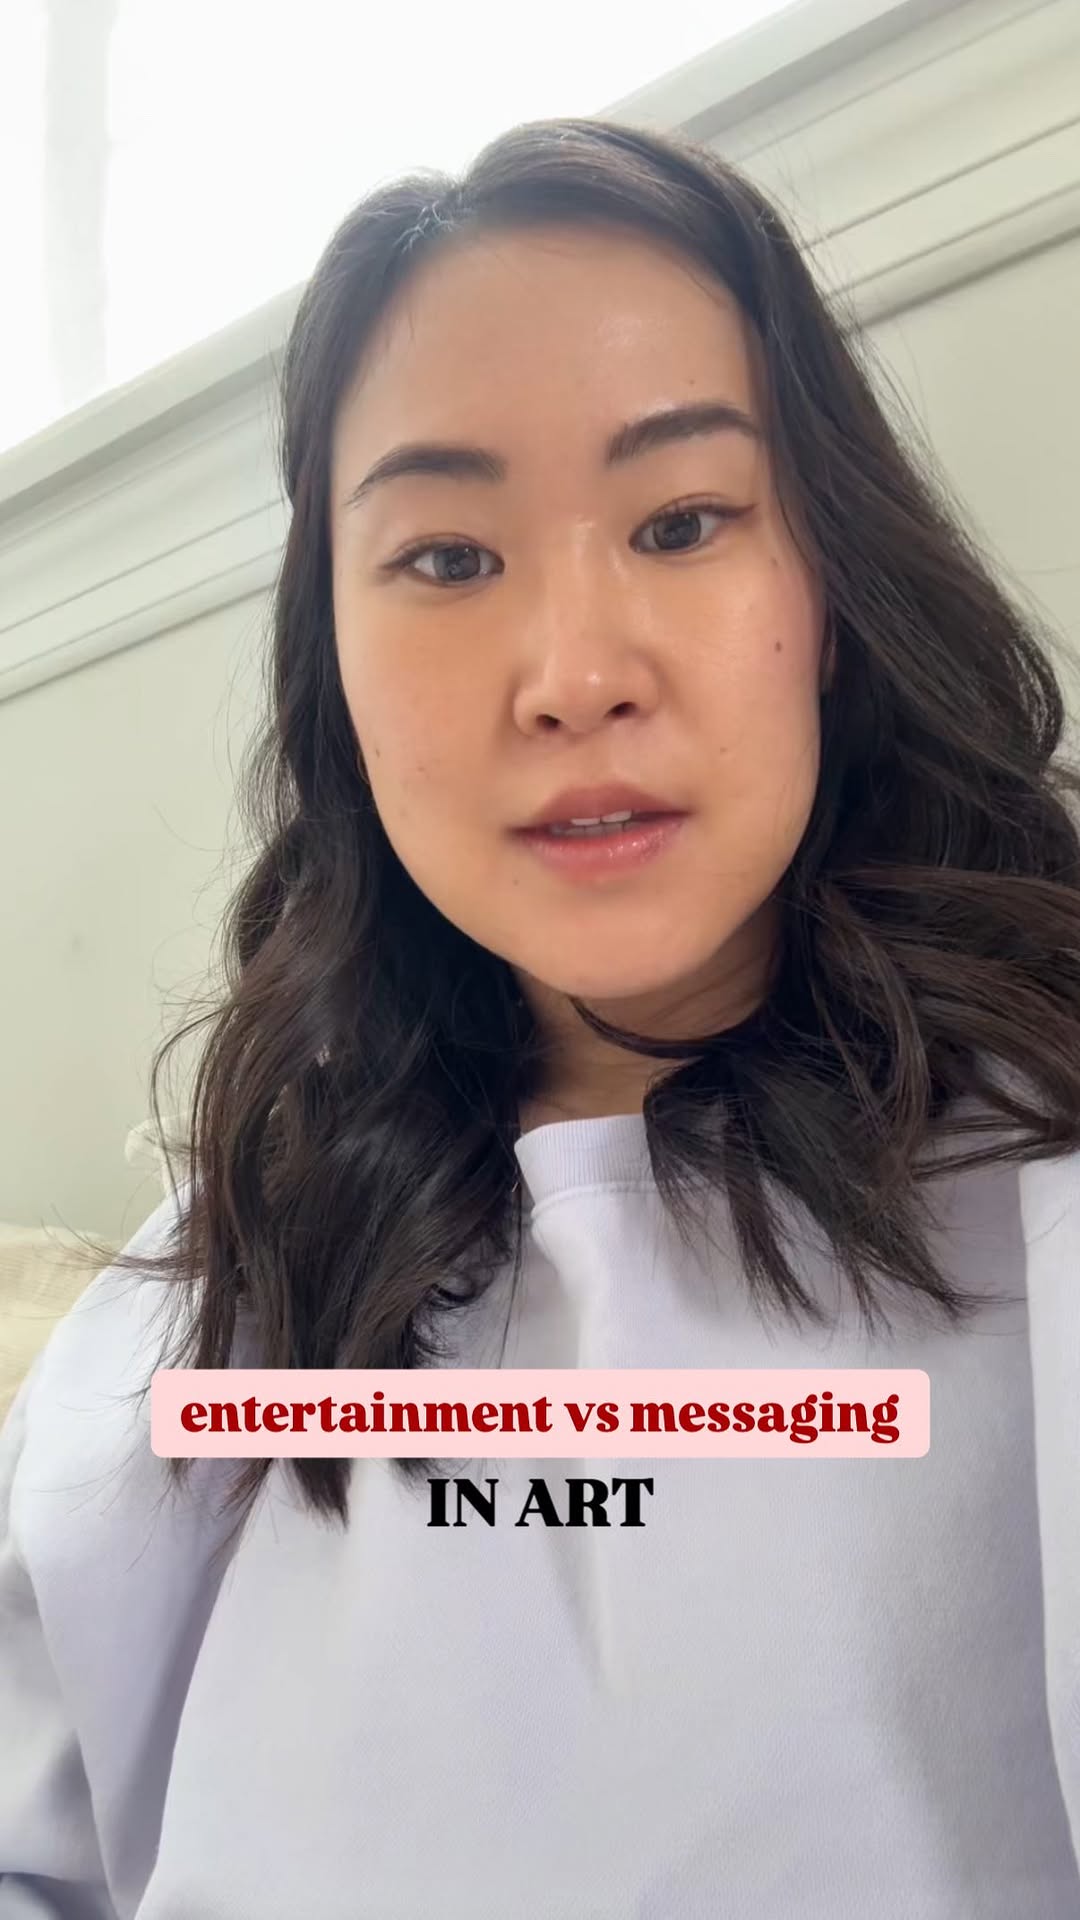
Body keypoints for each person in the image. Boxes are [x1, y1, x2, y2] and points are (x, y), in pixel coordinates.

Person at [2, 114, 1080, 1920]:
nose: (575, 677)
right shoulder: (216, 1272)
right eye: (446, 559)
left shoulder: (1039, 1159)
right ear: (335, 662)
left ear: (829, 596)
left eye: (683, 521)